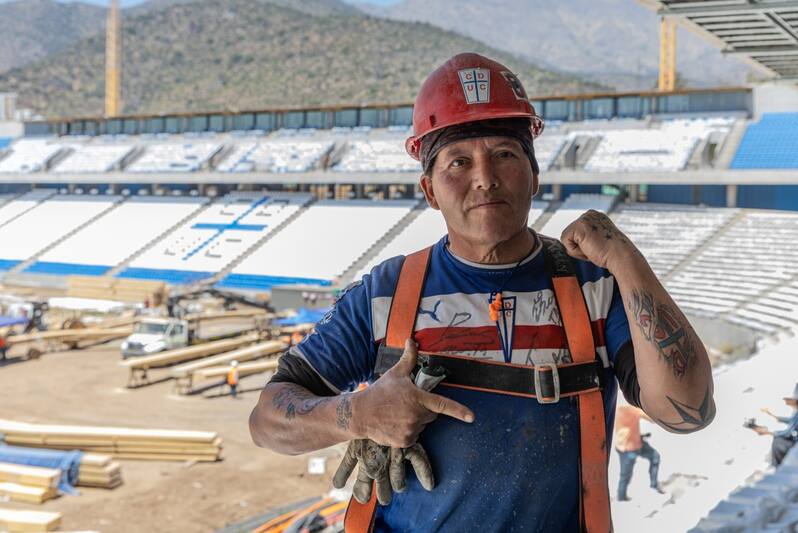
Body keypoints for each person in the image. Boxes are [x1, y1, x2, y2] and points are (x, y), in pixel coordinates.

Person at [249, 53, 715, 532]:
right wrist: (357, 415)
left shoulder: (593, 285)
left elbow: (687, 411)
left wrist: (624, 259)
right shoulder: (384, 295)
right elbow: (266, 421)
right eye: (459, 161)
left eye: (505, 154)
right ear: (430, 191)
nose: (484, 177)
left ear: (534, 176)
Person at [614, 402, 663, 501]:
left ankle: (653, 485)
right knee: (625, 475)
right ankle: (621, 498)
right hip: (627, 449)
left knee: (655, 457)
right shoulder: (631, 410)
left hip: (636, 444)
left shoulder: (619, 409)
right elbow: (652, 419)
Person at [748, 382, 798, 466]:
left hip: (797, 445)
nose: (786, 401)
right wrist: (775, 417)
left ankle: (780, 468)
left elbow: (788, 433)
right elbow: (791, 420)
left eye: (789, 399)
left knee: (778, 442)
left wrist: (767, 433)